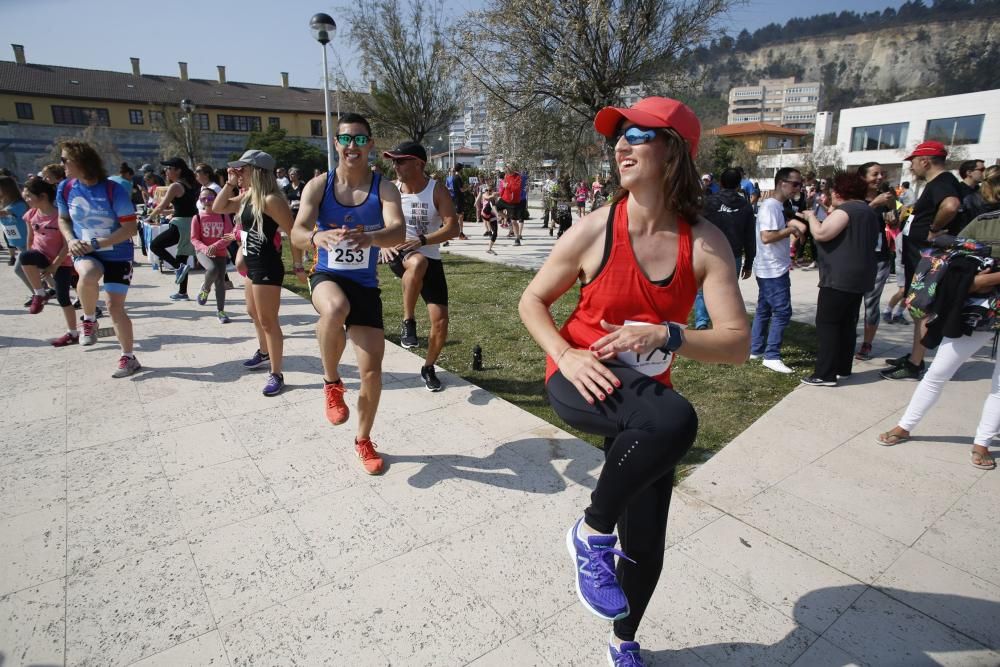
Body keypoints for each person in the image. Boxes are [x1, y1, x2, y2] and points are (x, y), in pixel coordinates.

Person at [519, 97, 749, 666]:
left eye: (638, 134)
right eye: (617, 136)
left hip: (644, 406)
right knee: (678, 419)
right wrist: (564, 355)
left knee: (646, 539)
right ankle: (593, 532)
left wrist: (669, 335)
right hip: (582, 376)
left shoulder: (707, 242)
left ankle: (623, 642)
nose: (621, 145)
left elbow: (737, 343)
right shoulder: (594, 228)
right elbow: (532, 300)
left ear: (675, 151)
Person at [291, 113, 406, 475]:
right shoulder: (319, 187)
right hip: (327, 275)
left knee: (372, 372)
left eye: (359, 139)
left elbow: (398, 231)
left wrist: (372, 238)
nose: (352, 146)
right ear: (336, 144)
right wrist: (314, 238)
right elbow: (295, 232)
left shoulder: (382, 187)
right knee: (335, 308)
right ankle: (331, 382)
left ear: (370, 144)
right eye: (345, 139)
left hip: (365, 285)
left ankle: (363, 439)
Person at [876, 204, 1000, 470]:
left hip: (981, 305)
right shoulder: (986, 222)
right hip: (977, 311)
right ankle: (905, 426)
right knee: (938, 372)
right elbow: (951, 262)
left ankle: (982, 442)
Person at [213, 149, 302, 396]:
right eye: (236, 170)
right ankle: (264, 353)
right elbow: (219, 207)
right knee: (253, 313)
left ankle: (276, 373)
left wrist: (298, 265)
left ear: (258, 171)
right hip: (252, 265)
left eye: (242, 169)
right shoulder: (249, 195)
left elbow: (293, 233)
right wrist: (230, 183)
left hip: (267, 265)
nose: (237, 173)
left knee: (268, 321)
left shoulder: (271, 200)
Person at [56, 140, 141, 377]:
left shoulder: (113, 190)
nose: (61, 164)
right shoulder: (65, 187)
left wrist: (98, 243)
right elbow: (63, 219)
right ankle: (89, 319)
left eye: (65, 160)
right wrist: (71, 239)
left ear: (80, 162)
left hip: (117, 252)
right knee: (89, 273)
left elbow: (130, 228)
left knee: (115, 307)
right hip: (86, 251)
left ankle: (128, 356)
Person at [380, 141, 460, 390]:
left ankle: (428, 367)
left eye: (401, 160)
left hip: (428, 254)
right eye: (393, 160)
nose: (396, 165)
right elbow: (374, 221)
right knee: (418, 261)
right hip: (400, 252)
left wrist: (423, 240)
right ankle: (408, 321)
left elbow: (452, 227)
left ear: (419, 163)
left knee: (441, 321)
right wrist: (383, 245)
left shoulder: (437, 190)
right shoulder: (392, 190)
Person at [882, 141, 962, 381]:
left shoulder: (942, 182)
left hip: (925, 260)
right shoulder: (938, 183)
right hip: (917, 258)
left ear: (925, 160)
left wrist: (934, 229)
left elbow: (951, 205)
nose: (912, 167)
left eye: (913, 161)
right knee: (917, 310)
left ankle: (915, 364)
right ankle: (915, 356)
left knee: (921, 311)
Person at [799, 172, 879, 386]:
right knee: (847, 324)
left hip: (839, 277)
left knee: (828, 324)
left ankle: (824, 374)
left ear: (837, 192)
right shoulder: (867, 211)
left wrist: (810, 217)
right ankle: (843, 367)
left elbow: (822, 233)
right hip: (860, 277)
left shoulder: (847, 210)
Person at [750, 167, 807, 373]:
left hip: (770, 267)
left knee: (764, 309)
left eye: (800, 184)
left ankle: (756, 349)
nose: (798, 188)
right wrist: (791, 230)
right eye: (795, 184)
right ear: (782, 183)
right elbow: (767, 237)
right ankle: (771, 355)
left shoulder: (776, 205)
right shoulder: (771, 206)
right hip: (772, 269)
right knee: (782, 311)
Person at [18, 179, 79, 345]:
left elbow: (67, 244)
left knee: (63, 298)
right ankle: (39, 292)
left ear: (43, 196)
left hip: (61, 261)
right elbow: (30, 238)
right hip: (40, 256)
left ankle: (73, 333)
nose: (26, 200)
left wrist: (55, 265)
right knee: (24, 257)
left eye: (29, 196)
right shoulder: (31, 215)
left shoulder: (60, 216)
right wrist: (33, 265)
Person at [694, 167, 756, 329]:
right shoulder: (745, 206)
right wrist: (749, 262)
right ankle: (721, 323)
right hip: (733, 255)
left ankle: (702, 321)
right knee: (727, 290)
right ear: (738, 185)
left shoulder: (708, 203)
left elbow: (696, 228)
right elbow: (750, 237)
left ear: (720, 183)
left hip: (707, 252)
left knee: (701, 290)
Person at [854, 165, 897, 361]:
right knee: (851, 301)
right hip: (855, 257)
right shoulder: (853, 198)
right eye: (875, 174)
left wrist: (891, 213)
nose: (880, 177)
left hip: (879, 258)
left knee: (871, 302)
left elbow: (894, 223)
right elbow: (850, 219)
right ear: (863, 178)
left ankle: (867, 343)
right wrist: (873, 204)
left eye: (882, 173)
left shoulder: (887, 198)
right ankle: (847, 337)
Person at [147, 158, 198, 300]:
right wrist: (168, 213)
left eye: (169, 168)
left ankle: (177, 267)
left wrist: (149, 217)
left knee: (155, 245)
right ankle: (183, 292)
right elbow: (184, 207)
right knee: (182, 257)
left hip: (181, 225)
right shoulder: (190, 184)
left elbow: (161, 205)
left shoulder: (175, 186)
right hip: (191, 223)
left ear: (178, 170)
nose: (166, 171)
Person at [190, 187, 235, 323]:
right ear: (200, 201)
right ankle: (205, 289)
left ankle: (220, 311)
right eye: (203, 198)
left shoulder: (223, 216)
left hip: (220, 252)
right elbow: (194, 239)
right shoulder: (197, 217)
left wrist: (215, 246)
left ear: (216, 199)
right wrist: (205, 248)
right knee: (212, 269)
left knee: (220, 282)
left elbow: (228, 236)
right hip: (203, 252)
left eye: (210, 198)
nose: (207, 201)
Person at [0, 175, 28, 268]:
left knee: (21, 270)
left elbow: (4, 213)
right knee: (21, 270)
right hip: (19, 244)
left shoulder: (19, 204)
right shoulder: (5, 203)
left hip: (27, 244)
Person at [444, 163, 468, 241]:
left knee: (460, 215)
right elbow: (461, 189)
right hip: (458, 199)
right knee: (457, 216)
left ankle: (460, 233)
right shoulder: (457, 177)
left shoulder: (454, 177)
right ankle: (448, 232)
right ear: (460, 169)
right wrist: (468, 188)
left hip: (457, 198)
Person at [480, 185, 499, 254]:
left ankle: (489, 249)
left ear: (492, 190)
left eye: (490, 190)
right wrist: (494, 195)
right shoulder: (484, 195)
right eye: (487, 190)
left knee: (495, 233)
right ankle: (489, 231)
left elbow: (496, 206)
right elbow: (488, 197)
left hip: (491, 215)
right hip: (485, 213)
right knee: (491, 202)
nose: (488, 191)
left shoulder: (494, 197)